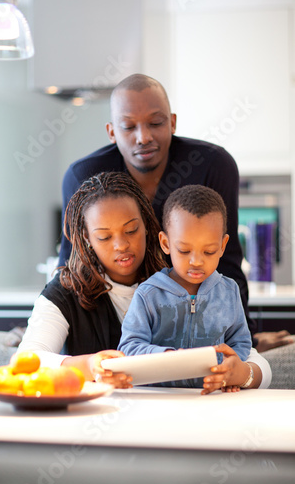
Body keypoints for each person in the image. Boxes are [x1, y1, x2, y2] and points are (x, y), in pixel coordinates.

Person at [59, 73, 293, 353]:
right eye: (128, 127)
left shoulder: (213, 165)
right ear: (111, 132)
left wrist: (245, 338)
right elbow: (71, 265)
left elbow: (226, 262)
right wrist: (50, 322)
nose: (143, 137)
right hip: (105, 324)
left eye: (156, 123)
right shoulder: (84, 175)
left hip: (188, 332)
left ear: (172, 122)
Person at [118, 185, 270, 394]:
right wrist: (170, 357)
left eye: (209, 251)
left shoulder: (229, 292)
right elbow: (128, 348)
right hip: (157, 401)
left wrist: (231, 369)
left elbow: (241, 342)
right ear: (165, 243)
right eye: (184, 250)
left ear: (223, 245)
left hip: (214, 401)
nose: (196, 261)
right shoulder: (148, 294)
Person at [18, 171, 165, 386]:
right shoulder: (65, 291)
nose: (121, 245)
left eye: (131, 230)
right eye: (104, 237)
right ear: (87, 237)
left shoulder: (176, 281)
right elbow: (25, 362)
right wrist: (88, 366)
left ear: (146, 224)